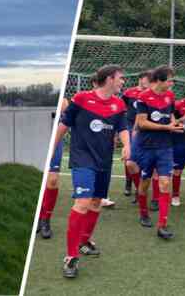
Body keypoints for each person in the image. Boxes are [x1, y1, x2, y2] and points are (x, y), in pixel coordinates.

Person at [54, 65, 129, 278]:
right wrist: (52, 149)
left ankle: (84, 240)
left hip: (104, 159)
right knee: (83, 202)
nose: (123, 82)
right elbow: (64, 125)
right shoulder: (81, 99)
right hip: (82, 157)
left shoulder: (118, 104)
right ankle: (70, 256)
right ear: (109, 79)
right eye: (120, 78)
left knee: (96, 203)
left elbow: (123, 128)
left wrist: (127, 145)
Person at [132, 65, 182, 239]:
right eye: (169, 80)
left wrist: (175, 125)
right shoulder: (143, 96)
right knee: (144, 182)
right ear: (160, 80)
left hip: (165, 147)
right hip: (146, 146)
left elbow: (171, 114)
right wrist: (165, 127)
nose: (172, 83)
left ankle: (162, 224)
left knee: (165, 183)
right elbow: (141, 123)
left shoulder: (170, 96)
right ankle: (143, 212)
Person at [37, 97, 70, 239]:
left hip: (54, 141)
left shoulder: (63, 100)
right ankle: (38, 217)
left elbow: (64, 106)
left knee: (52, 181)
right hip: (38, 139)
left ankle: (45, 220)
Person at [122, 71, 151, 199]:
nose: (148, 82)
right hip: (129, 127)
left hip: (143, 128)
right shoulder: (129, 93)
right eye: (146, 79)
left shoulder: (150, 95)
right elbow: (121, 107)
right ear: (140, 79)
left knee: (140, 157)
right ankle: (129, 183)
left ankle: (138, 189)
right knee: (128, 156)